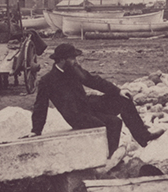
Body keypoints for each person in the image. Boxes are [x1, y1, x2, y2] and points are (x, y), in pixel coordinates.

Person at [29, 43, 160, 152]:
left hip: (88, 105)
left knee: (123, 100)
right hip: (76, 116)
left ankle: (143, 137)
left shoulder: (74, 69)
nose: (76, 61)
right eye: (73, 58)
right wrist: (36, 130)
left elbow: (94, 81)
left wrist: (118, 91)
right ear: (62, 59)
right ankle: (109, 157)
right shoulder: (47, 81)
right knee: (114, 123)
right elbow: (41, 106)